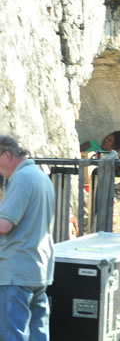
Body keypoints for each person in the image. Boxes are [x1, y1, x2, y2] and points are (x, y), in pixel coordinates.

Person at [0, 134, 55, 341]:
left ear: (6, 155)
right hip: (38, 270)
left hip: (16, 272)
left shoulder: (22, 178)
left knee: (13, 335)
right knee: (38, 334)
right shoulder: (40, 176)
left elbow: (4, 224)